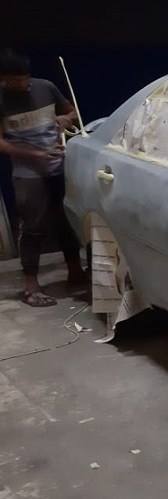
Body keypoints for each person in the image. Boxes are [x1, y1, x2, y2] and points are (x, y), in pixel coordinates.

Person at [0, 50, 86, 307]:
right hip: (28, 174)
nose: (23, 84)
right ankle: (30, 287)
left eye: (25, 78)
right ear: (4, 78)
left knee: (66, 221)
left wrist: (64, 118)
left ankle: (75, 273)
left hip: (58, 167)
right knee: (32, 228)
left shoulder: (45, 87)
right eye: (16, 81)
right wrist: (35, 154)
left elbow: (73, 112)